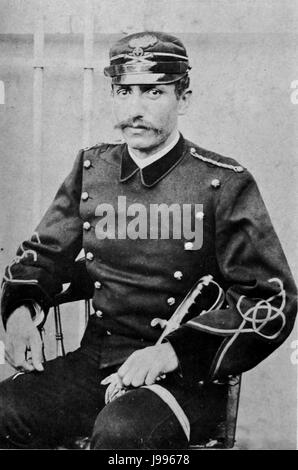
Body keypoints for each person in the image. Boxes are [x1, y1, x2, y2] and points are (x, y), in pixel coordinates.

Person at [0, 31, 296, 450]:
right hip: (96, 362)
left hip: (183, 377)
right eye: (124, 91)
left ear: (184, 99)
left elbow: (270, 300)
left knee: (122, 435)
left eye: (153, 92)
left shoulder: (223, 183)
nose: (134, 110)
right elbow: (42, 256)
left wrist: (173, 353)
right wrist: (20, 313)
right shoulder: (91, 169)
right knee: (4, 410)